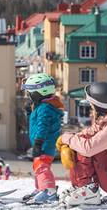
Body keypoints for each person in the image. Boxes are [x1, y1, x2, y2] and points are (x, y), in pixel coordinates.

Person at [56, 82, 107, 206]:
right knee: (80, 142)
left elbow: (88, 148)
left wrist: (67, 139)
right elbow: (88, 133)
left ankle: (89, 192)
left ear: (99, 106)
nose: (91, 106)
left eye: (91, 104)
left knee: (84, 147)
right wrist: (67, 142)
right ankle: (80, 187)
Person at [21, 73, 64, 204]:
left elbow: (42, 126)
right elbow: (36, 122)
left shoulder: (45, 108)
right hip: (44, 143)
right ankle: (40, 188)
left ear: (39, 92)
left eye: (30, 93)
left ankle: (48, 191)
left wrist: (38, 143)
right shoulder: (44, 106)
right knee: (38, 166)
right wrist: (30, 112)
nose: (28, 95)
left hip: (44, 143)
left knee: (42, 167)